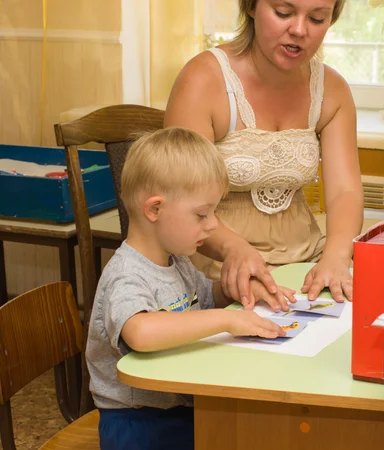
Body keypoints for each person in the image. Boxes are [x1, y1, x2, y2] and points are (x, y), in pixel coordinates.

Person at [86, 127, 294, 450]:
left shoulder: (176, 260)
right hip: (138, 426)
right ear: (154, 210)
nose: (212, 225)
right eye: (202, 214)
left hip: (178, 411)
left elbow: (204, 297)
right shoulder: (126, 275)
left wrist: (240, 291)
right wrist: (228, 321)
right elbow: (141, 332)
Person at [164, 0, 364, 309]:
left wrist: (336, 257)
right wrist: (235, 250)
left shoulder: (332, 90)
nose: (299, 30)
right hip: (218, 268)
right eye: (283, 13)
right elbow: (181, 200)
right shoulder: (203, 79)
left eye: (317, 18)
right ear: (251, 7)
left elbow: (344, 190)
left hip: (306, 265)